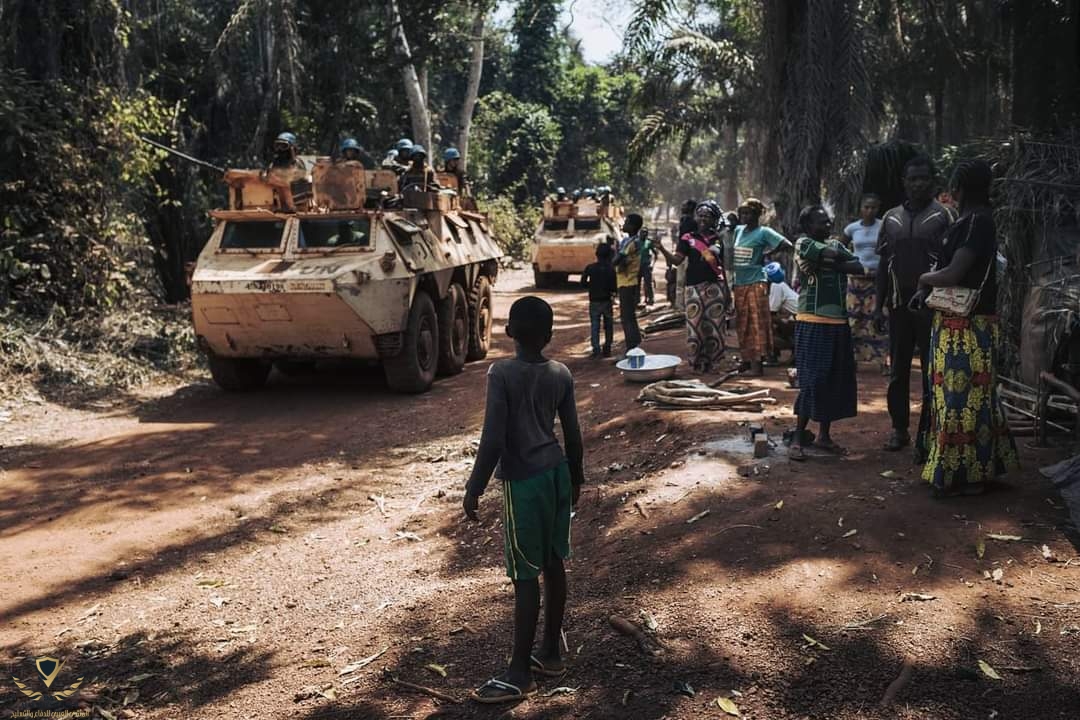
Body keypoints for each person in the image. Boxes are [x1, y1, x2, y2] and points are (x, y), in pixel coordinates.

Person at [463, 296, 585, 703]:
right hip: (556, 473)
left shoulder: (501, 373)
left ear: (508, 331)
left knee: (525, 574)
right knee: (553, 561)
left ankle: (519, 672)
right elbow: (572, 434)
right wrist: (576, 478)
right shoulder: (561, 373)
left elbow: (493, 438)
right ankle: (550, 653)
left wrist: (475, 486)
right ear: (549, 335)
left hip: (524, 480)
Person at [910, 159, 1019, 497]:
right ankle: (974, 470)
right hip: (957, 323)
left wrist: (923, 278)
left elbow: (954, 273)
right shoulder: (970, 221)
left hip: (967, 327)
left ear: (959, 187)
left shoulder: (977, 222)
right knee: (964, 399)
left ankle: (961, 476)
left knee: (961, 401)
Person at [874, 156, 953, 459]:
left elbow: (952, 263)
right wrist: (878, 306)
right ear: (904, 183)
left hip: (933, 306)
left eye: (924, 178)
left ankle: (929, 433)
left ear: (933, 181)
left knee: (933, 371)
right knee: (898, 371)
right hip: (898, 305)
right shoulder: (890, 218)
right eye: (913, 179)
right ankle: (899, 429)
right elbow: (883, 265)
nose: (919, 184)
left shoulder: (944, 216)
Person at [789, 205, 863, 461]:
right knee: (813, 379)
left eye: (828, 221)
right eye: (822, 222)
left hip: (838, 321)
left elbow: (858, 266)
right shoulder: (803, 243)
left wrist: (830, 263)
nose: (828, 225)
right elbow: (835, 256)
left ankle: (824, 436)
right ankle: (798, 437)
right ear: (808, 226)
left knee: (834, 378)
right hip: (812, 320)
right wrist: (838, 261)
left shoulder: (833, 244)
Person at [656, 201, 730, 373]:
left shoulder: (718, 239)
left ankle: (714, 362)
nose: (703, 219)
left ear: (714, 219)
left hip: (715, 287)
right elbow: (677, 261)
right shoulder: (688, 238)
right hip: (693, 288)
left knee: (715, 326)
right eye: (700, 215)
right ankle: (697, 363)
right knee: (695, 326)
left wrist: (727, 291)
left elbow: (722, 267)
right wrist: (661, 249)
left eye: (707, 216)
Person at [732, 198, 791, 375]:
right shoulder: (738, 231)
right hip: (739, 283)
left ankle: (757, 365)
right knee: (742, 323)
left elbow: (786, 244)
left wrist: (767, 254)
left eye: (748, 213)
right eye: (742, 213)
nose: (744, 216)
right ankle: (746, 360)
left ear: (757, 215)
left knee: (756, 323)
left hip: (756, 282)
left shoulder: (764, 232)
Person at [843, 194, 886, 369]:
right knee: (854, 320)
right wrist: (850, 264)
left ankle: (882, 362)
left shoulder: (883, 226)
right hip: (856, 280)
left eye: (873, 207)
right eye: (866, 207)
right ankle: (852, 360)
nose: (869, 211)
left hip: (877, 280)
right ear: (861, 208)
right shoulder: (852, 229)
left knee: (877, 318)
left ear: (878, 209)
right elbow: (840, 247)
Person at [614, 214, 645, 352]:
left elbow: (617, 259)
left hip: (627, 282)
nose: (624, 224)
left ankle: (631, 348)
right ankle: (636, 342)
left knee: (626, 317)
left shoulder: (630, 243)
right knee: (630, 316)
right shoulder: (633, 241)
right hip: (629, 281)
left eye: (626, 222)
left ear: (632, 226)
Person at [581, 243, 617, 358]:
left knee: (595, 325)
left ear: (597, 254)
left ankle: (596, 349)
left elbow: (583, 283)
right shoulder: (611, 269)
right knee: (608, 325)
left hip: (594, 300)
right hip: (606, 300)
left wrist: (592, 286)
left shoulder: (590, 268)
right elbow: (614, 287)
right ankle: (607, 348)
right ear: (609, 255)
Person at [666, 199, 698, 307]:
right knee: (680, 281)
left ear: (690, 208)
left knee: (684, 281)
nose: (682, 207)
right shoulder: (683, 220)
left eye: (684, 206)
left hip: (688, 255)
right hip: (681, 253)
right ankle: (680, 305)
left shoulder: (693, 222)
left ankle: (683, 305)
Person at [766, 261, 798, 362]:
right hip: (797, 317)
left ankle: (792, 345)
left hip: (798, 319)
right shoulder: (781, 284)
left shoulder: (776, 286)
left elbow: (771, 313)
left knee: (765, 324)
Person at [638, 228, 658, 306]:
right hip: (637, 266)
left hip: (646, 266)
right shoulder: (636, 242)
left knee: (648, 283)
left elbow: (655, 254)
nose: (644, 234)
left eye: (645, 233)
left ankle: (650, 299)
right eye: (642, 232)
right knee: (637, 284)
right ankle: (637, 300)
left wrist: (652, 264)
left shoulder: (649, 242)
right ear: (639, 233)